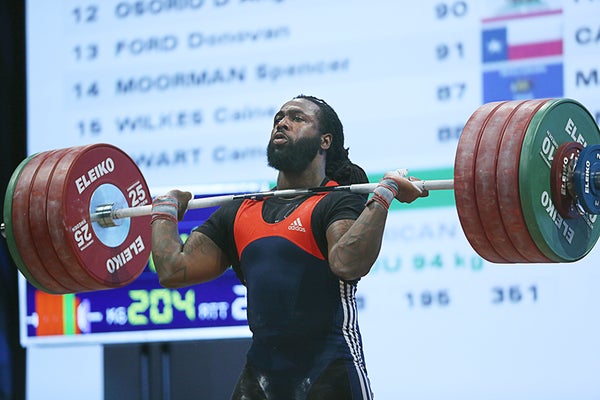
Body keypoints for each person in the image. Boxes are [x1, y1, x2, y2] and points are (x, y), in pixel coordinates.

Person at [150, 94, 428, 399]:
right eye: (279, 118)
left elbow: (348, 263)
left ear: (325, 141)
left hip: (330, 373)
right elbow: (173, 270)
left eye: (297, 118)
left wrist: (384, 194)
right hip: (260, 378)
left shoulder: (336, 201)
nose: (282, 122)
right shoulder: (240, 211)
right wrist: (163, 213)